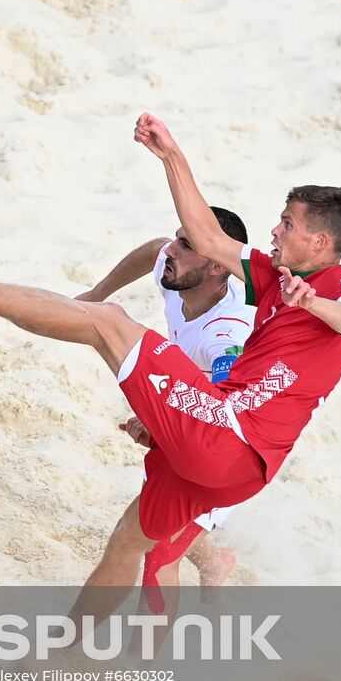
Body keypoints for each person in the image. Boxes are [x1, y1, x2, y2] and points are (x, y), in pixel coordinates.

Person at [0, 112, 341, 633]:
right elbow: (207, 239)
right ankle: (84, 654)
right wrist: (170, 155)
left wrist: (316, 305)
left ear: (320, 242)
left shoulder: (340, 280)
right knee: (132, 541)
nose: (275, 230)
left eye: (287, 223)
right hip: (231, 457)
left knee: (107, 324)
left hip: (232, 437)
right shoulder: (273, 276)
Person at [75, 206, 253, 608]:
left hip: (233, 444)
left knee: (157, 553)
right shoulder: (179, 271)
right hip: (189, 419)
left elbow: (230, 406)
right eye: (178, 237)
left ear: (216, 268)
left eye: (186, 244)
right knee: (163, 528)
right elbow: (152, 252)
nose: (170, 250)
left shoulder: (227, 334)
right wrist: (96, 295)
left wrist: (160, 420)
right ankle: (216, 563)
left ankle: (143, 664)